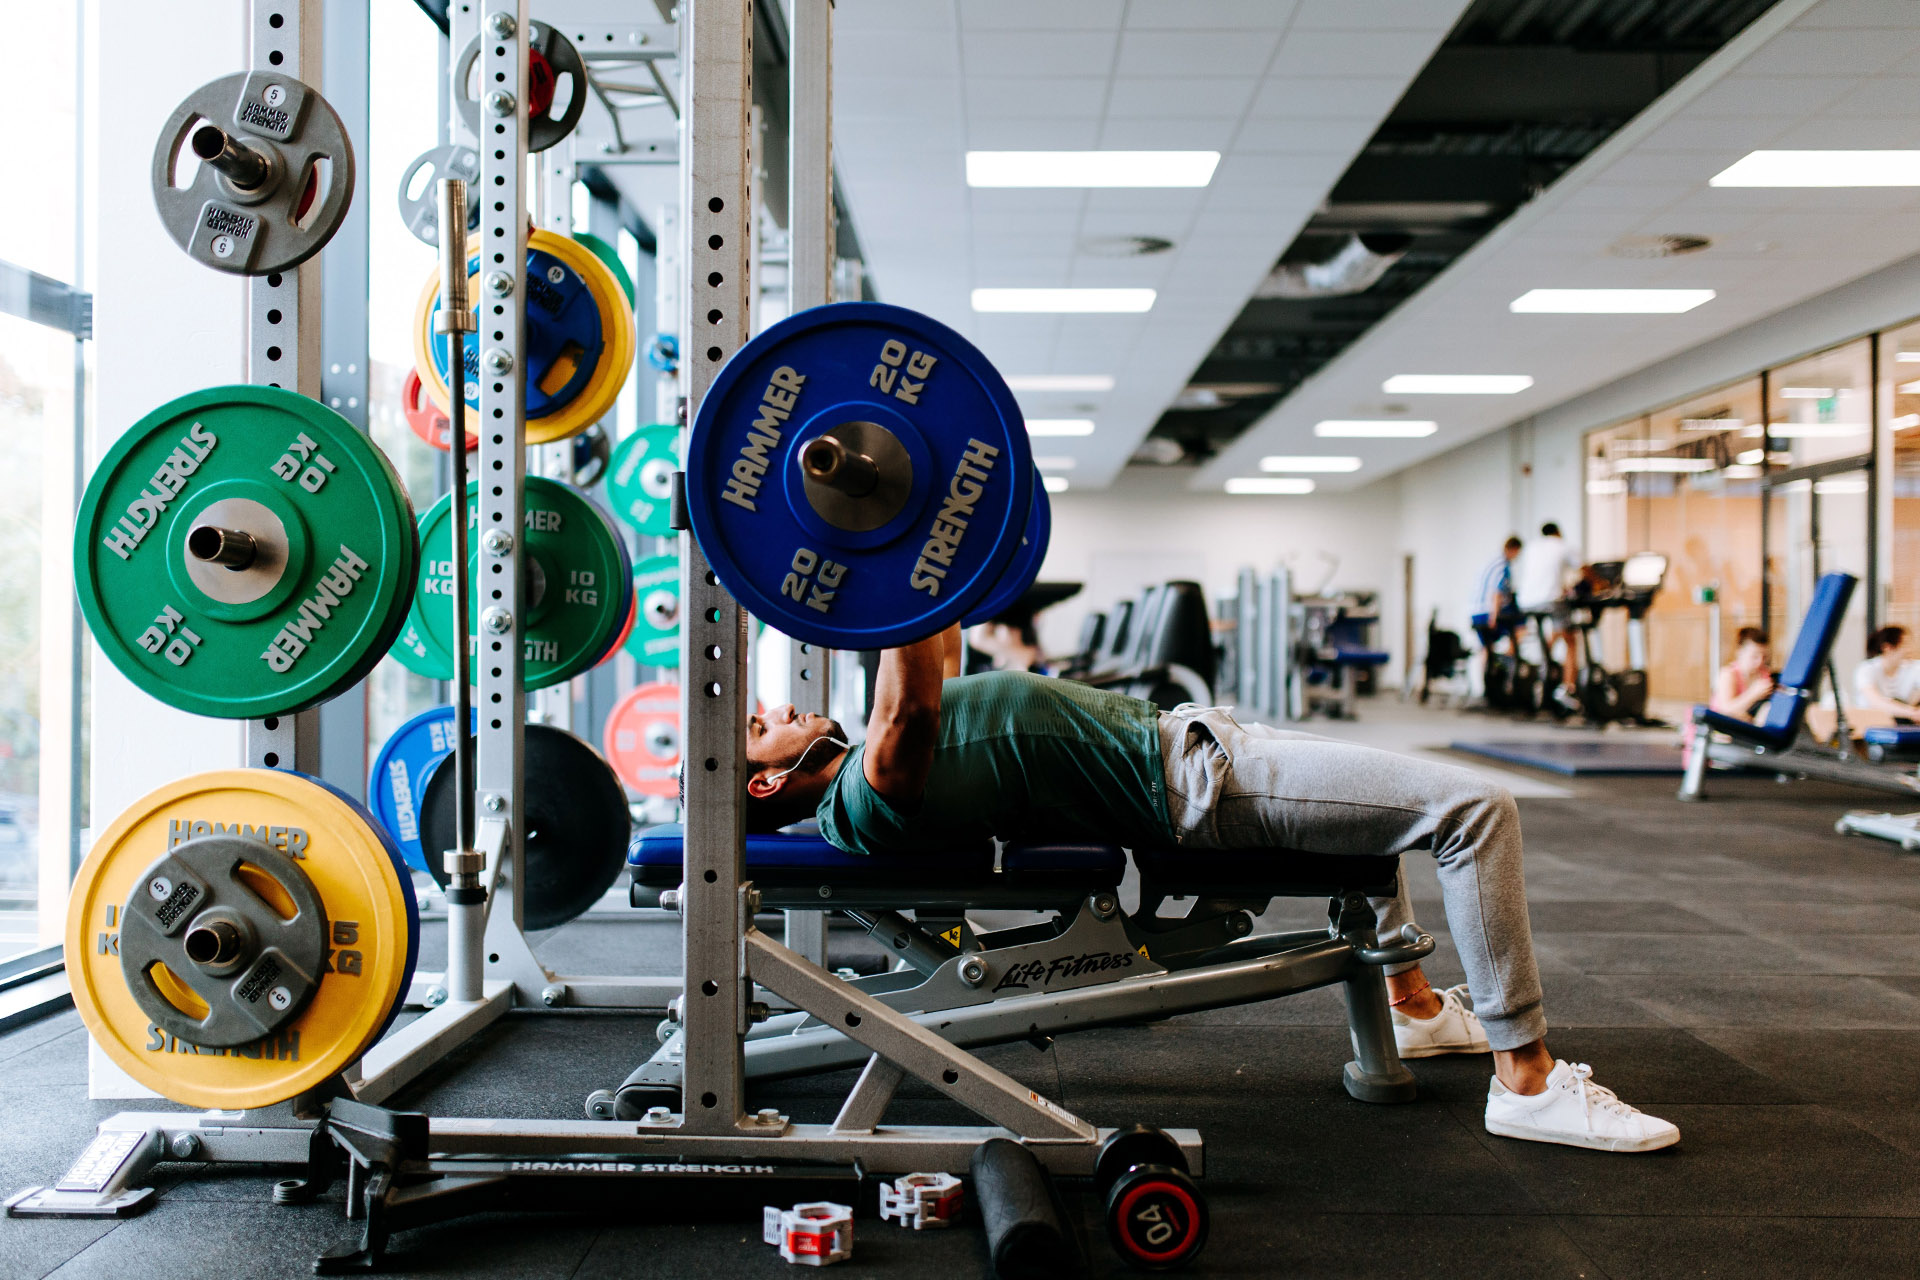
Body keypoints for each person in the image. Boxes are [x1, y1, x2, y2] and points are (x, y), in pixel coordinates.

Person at [744, 628, 1680, 1155]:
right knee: (1478, 809)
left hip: (1199, 745)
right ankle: (1526, 1080)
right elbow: (905, 700)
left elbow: (935, 646)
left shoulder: (869, 765)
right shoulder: (860, 801)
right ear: (767, 781)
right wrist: (892, 564)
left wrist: (920, 537)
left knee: (1391, 802)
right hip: (1198, 785)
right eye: (760, 726)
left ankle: (1416, 1009)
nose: (778, 707)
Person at [1513, 522, 1584, 709]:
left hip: (1526, 601)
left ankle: (1542, 673)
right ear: (1558, 533)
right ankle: (1567, 688)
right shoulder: (1562, 545)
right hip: (1550, 600)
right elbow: (1584, 569)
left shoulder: (1531, 548)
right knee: (1571, 639)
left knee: (1557, 630)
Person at [1853, 625, 1916, 719]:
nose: (1910, 650)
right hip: (1870, 722)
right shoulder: (1866, 669)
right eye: (1905, 645)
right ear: (1887, 648)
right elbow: (1876, 702)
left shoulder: (1913, 668)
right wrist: (1912, 713)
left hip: (1902, 723)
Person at [1710, 627, 1774, 720]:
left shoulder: (1764, 674)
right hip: (1722, 725)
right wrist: (1753, 694)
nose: (1760, 662)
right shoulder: (1728, 674)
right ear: (1740, 652)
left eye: (1764, 657)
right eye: (1754, 656)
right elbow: (1725, 711)